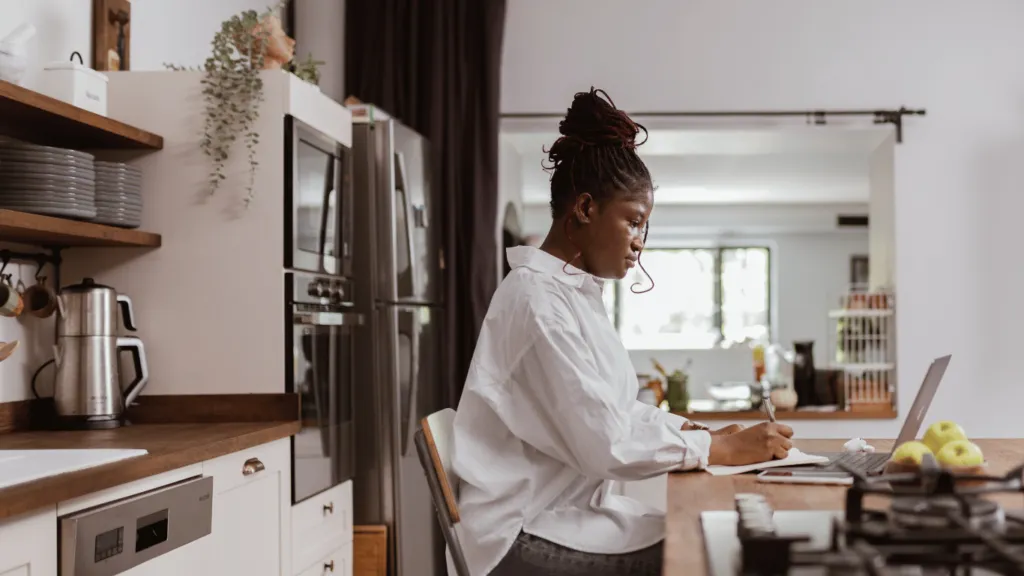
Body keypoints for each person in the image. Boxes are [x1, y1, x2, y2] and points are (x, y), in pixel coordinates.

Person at [450, 87, 794, 576]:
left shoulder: (569, 295)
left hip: (560, 517)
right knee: (707, 554)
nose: (639, 244)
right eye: (634, 222)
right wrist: (717, 449)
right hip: (519, 535)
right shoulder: (538, 301)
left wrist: (694, 433)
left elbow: (611, 410)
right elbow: (603, 441)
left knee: (705, 533)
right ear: (586, 210)